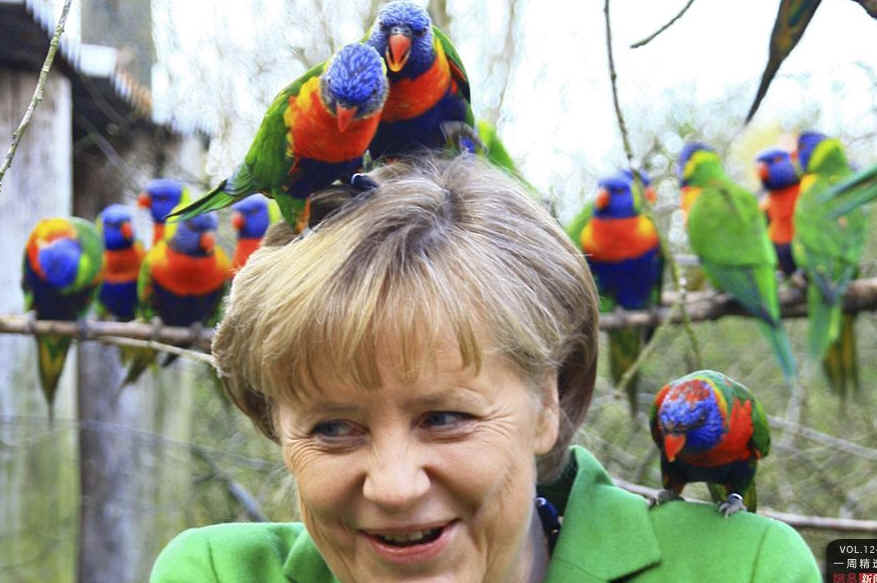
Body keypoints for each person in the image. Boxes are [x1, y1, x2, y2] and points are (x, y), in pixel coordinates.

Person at [150, 155, 820, 582]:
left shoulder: (739, 566)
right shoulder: (216, 573)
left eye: (444, 417)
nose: (394, 486)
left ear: (549, 400)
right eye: (331, 428)